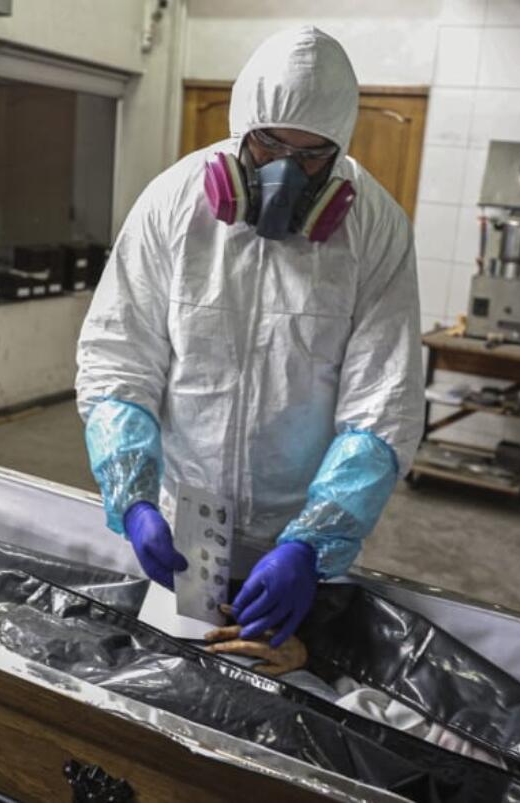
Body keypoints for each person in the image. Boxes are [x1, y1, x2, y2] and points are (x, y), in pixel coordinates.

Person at [76, 26, 422, 648]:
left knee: (284, 689)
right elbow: (117, 358)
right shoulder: (172, 205)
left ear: (340, 149)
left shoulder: (375, 229)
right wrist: (133, 496)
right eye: (268, 144)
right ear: (241, 131)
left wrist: (314, 542)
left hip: (301, 526)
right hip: (184, 516)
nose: (287, 172)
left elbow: (383, 405)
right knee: (176, 677)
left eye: (313, 153)